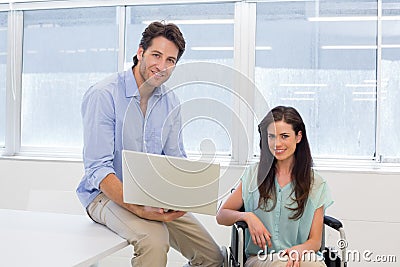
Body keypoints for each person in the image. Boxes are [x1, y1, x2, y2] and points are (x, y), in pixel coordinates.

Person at [76, 21, 223, 267]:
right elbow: (98, 169)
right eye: (156, 55)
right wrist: (139, 208)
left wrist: (185, 196)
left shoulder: (170, 101)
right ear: (140, 52)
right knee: (155, 242)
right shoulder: (104, 95)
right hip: (103, 196)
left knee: (213, 257)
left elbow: (176, 160)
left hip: (154, 198)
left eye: (170, 60)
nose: (162, 66)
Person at [216, 106, 333, 267]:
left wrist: (298, 250)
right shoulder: (254, 174)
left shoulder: (316, 183)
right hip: (261, 258)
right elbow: (222, 215)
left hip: (302, 255)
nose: (277, 143)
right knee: (282, 264)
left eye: (284, 136)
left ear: (298, 137)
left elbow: (314, 241)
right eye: (271, 136)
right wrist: (247, 216)